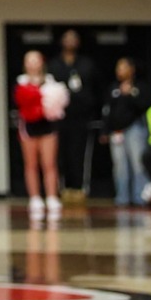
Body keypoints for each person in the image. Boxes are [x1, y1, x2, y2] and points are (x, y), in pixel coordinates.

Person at [47, 29, 99, 199]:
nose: (70, 41)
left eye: (73, 38)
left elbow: (94, 89)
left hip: (80, 118)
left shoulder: (87, 64)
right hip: (59, 118)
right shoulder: (53, 64)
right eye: (67, 38)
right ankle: (60, 189)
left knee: (78, 153)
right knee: (59, 154)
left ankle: (78, 189)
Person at [12, 50, 61, 218]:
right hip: (29, 127)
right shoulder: (21, 82)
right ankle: (34, 198)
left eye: (36, 60)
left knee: (49, 163)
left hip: (47, 126)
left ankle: (52, 197)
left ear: (42, 62)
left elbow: (58, 105)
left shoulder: (50, 81)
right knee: (31, 164)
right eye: (29, 60)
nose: (33, 63)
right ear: (25, 64)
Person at [102, 58, 150, 207]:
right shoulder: (113, 88)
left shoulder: (140, 87)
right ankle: (122, 198)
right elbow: (106, 111)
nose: (119, 71)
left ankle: (140, 196)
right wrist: (105, 130)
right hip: (117, 132)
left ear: (131, 69)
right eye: (118, 68)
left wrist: (130, 94)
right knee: (119, 166)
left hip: (134, 129)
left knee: (138, 164)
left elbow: (145, 106)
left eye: (123, 67)